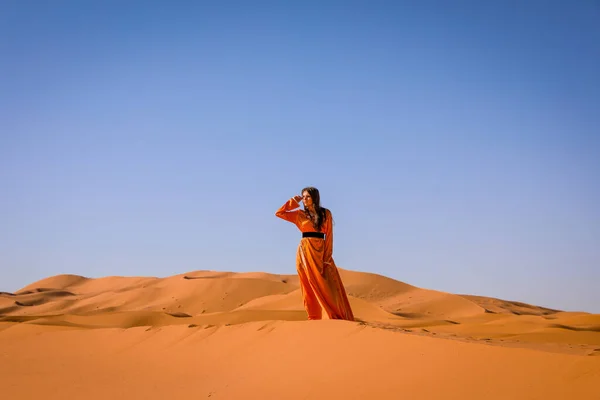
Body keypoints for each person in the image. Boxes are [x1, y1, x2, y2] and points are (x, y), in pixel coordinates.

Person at [275, 187, 354, 321]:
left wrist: (327, 257)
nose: (304, 199)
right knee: (308, 284)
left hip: (321, 251)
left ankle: (334, 314)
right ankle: (314, 316)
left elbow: (329, 236)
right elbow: (280, 213)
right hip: (305, 252)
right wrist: (293, 202)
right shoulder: (299, 214)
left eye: (307, 197)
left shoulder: (325, 214)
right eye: (303, 197)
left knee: (327, 285)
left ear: (314, 198)